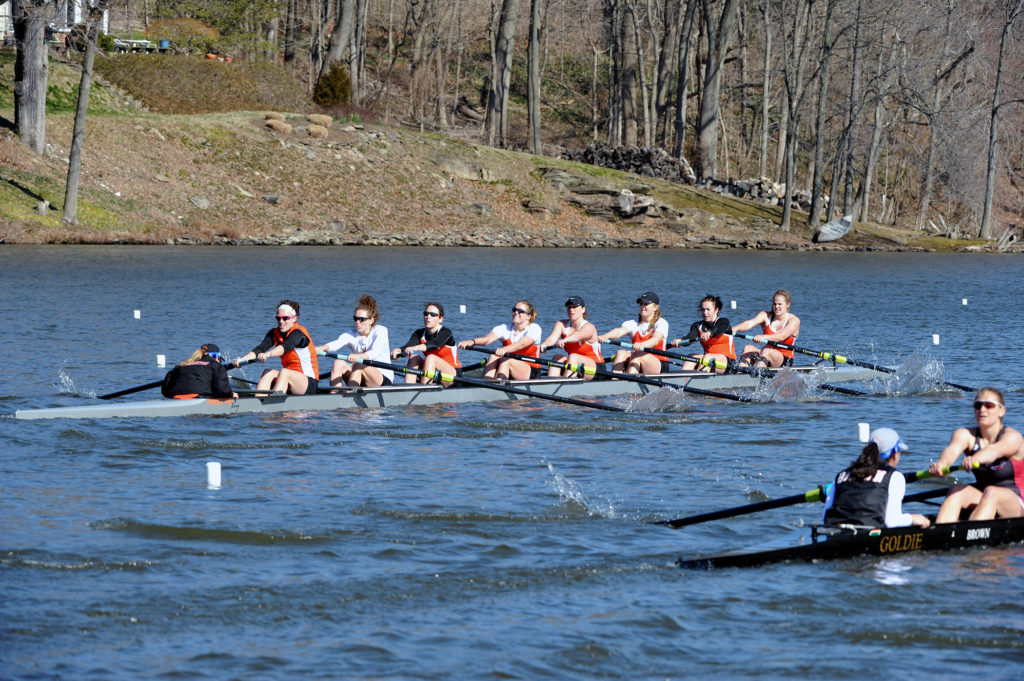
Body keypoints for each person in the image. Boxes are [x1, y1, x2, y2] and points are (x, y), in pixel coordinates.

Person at [928, 387, 1024, 523]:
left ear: (1002, 411)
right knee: (956, 490)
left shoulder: (1013, 437)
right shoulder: (965, 435)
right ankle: (938, 535)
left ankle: (969, 535)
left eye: (989, 405)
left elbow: (995, 450)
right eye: (978, 405)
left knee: (992, 492)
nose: (982, 410)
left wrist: (975, 458)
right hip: (985, 497)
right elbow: (952, 450)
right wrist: (942, 464)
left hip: (1016, 502)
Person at [822, 427, 931, 529]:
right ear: (895, 454)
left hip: (833, 532)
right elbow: (891, 522)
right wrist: (914, 519)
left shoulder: (842, 475)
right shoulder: (895, 476)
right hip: (867, 537)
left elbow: (825, 517)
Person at [233, 300, 319, 395]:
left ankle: (272, 402)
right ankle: (258, 400)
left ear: (294, 318)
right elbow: (259, 349)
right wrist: (242, 360)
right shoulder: (274, 333)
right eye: (278, 318)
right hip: (288, 378)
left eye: (285, 318)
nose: (281, 321)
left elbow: (284, 347)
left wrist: (268, 354)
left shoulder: (299, 333)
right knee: (268, 372)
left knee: (285, 372)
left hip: (308, 382)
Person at [316, 295, 393, 387]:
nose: (357, 322)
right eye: (355, 319)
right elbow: (337, 343)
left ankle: (349, 396)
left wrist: (358, 356)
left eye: (362, 319)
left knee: (358, 364)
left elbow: (375, 352)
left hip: (381, 378)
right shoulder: (351, 334)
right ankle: (335, 395)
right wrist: (320, 348)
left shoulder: (380, 331)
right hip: (358, 375)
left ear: (371, 320)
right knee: (338, 363)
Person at [458, 300, 542, 381]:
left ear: (529, 316)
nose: (516, 312)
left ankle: (498, 385)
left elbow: (521, 344)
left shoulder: (535, 328)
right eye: (514, 310)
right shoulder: (505, 328)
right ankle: (486, 383)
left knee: (506, 359)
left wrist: (504, 350)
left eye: (520, 311)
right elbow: (487, 340)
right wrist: (472, 342)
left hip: (531, 370)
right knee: (493, 356)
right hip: (509, 365)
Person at [597, 291, 669, 375]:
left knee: (637, 354)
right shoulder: (633, 323)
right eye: (641, 304)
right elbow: (618, 331)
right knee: (620, 353)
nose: (642, 306)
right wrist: (605, 336)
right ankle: (615, 380)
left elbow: (655, 340)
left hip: (659, 363)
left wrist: (642, 345)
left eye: (646, 304)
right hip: (637, 358)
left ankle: (629, 383)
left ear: (655, 307)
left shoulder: (661, 323)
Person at [391, 302, 461, 385]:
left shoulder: (446, 333)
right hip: (432, 371)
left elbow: (434, 344)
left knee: (430, 358)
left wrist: (415, 348)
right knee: (414, 357)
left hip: (453, 375)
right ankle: (409, 388)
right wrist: (398, 351)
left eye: (433, 314)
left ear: (440, 319)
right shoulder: (419, 333)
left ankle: (424, 391)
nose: (428, 317)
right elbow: (407, 346)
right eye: (426, 314)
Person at [732, 289, 801, 368]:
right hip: (765, 355)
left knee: (766, 351)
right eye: (774, 304)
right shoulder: (765, 316)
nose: (776, 307)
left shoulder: (794, 320)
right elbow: (749, 323)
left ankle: (756, 374)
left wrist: (763, 337)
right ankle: (741, 373)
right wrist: (735, 328)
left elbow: (782, 336)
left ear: (787, 305)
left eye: (780, 304)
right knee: (748, 348)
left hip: (784, 359)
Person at [538, 296, 602, 380]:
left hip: (595, 368)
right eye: (569, 307)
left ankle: (564, 386)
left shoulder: (589, 327)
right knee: (557, 357)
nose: (571, 310)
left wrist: (565, 340)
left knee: (573, 357)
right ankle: (550, 384)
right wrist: (544, 345)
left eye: (575, 307)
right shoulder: (561, 324)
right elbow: (552, 339)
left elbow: (578, 336)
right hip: (574, 364)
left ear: (583, 309)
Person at [669, 294, 734, 373]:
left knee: (708, 357)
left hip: (727, 363)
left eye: (708, 309)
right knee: (691, 357)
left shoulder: (724, 322)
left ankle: (698, 380)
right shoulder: (697, 326)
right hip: (707, 361)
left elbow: (717, 329)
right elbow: (689, 339)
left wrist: (709, 332)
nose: (705, 313)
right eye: (703, 310)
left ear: (716, 309)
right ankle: (681, 380)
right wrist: (680, 340)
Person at [161, 343, 237, 399]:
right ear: (216, 357)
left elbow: (165, 391)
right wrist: (230, 394)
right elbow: (223, 390)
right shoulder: (216, 365)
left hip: (176, 397)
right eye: (220, 360)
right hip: (198, 397)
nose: (220, 362)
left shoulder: (182, 365)